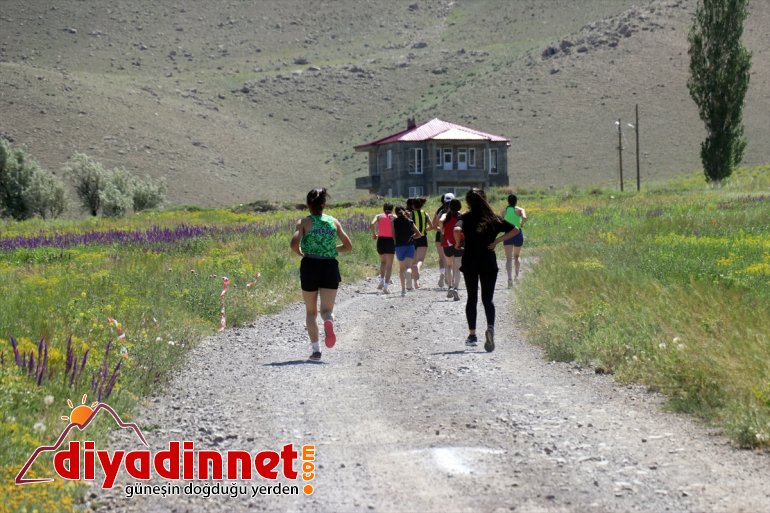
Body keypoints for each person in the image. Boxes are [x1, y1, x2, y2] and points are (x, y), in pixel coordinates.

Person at [290, 188, 353, 361]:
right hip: (329, 266)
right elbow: (348, 246)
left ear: (308, 204)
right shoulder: (334, 221)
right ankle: (328, 321)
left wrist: (300, 251)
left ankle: (316, 351)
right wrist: (331, 249)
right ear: (324, 204)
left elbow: (294, 243)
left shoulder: (304, 222)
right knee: (327, 310)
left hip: (310, 265)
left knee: (311, 312)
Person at [454, 188, 518, 352]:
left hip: (470, 262)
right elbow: (515, 230)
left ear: (468, 202)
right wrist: (496, 241)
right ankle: (490, 327)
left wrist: (458, 243)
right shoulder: (494, 218)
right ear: (484, 199)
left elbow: (456, 230)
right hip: (488, 261)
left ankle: (472, 335)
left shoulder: (465, 217)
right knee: (487, 300)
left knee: (472, 298)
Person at [392, 205, 422, 296]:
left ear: (396, 213)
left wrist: (396, 244)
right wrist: (413, 237)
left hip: (399, 247)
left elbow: (393, 236)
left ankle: (403, 290)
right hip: (409, 246)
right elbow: (419, 234)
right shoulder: (410, 221)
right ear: (404, 211)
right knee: (408, 267)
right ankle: (408, 273)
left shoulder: (394, 222)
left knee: (401, 269)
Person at [438, 198, 463, 301]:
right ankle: (456, 289)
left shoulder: (445, 215)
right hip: (459, 242)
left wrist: (442, 230)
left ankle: (450, 287)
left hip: (447, 243)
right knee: (457, 268)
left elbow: (440, 221)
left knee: (448, 266)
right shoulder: (461, 215)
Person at [500, 193, 528, 286]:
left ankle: (509, 278)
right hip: (517, 233)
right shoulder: (520, 210)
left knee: (508, 258)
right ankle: (516, 276)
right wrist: (521, 224)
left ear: (508, 201)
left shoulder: (504, 210)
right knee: (517, 256)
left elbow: (501, 220)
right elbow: (525, 218)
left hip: (507, 234)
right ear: (516, 201)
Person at [370, 203, 396, 294]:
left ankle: (381, 281)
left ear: (383, 208)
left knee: (383, 262)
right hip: (390, 241)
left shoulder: (378, 216)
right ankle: (386, 286)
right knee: (389, 265)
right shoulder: (394, 217)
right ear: (392, 209)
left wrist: (374, 234)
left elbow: (372, 224)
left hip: (380, 240)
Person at [409, 197, 434, 289]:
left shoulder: (411, 214)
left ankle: (414, 281)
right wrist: (424, 229)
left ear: (413, 205)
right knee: (420, 260)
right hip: (423, 238)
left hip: (414, 238)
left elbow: (408, 225)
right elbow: (431, 226)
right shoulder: (425, 214)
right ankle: (417, 280)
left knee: (413, 261)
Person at [432, 193, 454, 288]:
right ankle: (450, 279)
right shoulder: (455, 211)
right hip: (451, 236)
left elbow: (434, 225)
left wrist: (441, 230)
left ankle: (442, 274)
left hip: (439, 236)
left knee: (441, 258)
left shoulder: (440, 211)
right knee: (451, 259)